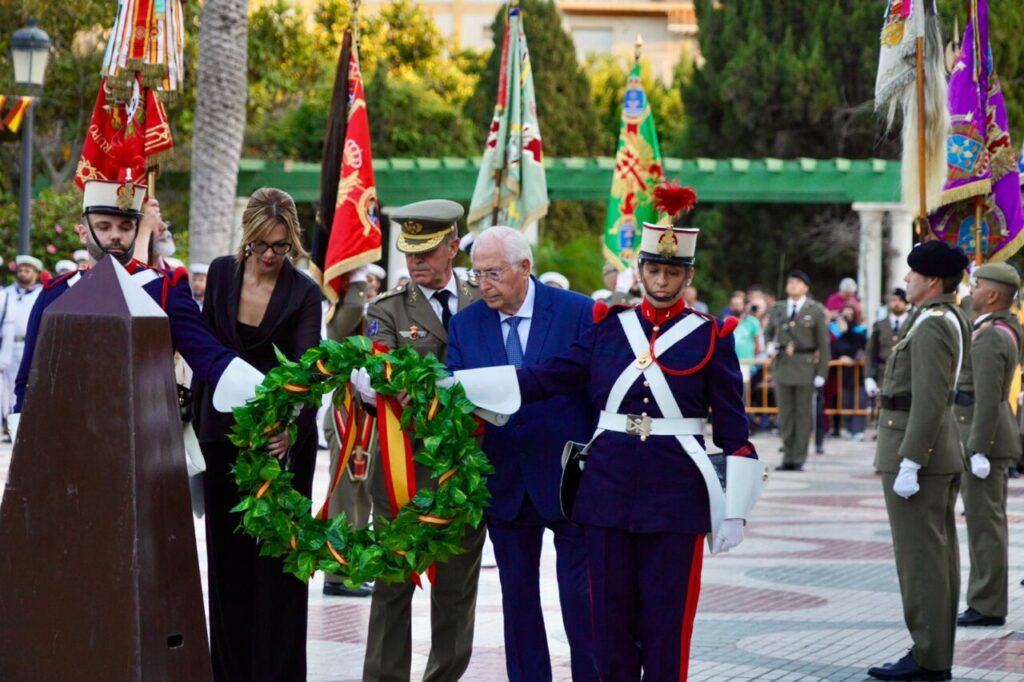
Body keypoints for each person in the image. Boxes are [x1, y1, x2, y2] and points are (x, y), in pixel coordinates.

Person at [513, 186, 764, 681]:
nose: (663, 280)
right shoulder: (609, 328)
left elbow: (735, 430)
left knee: (666, 625)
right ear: (640, 271)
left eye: (673, 272)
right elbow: (548, 377)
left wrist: (736, 509)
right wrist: (468, 386)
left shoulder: (713, 335)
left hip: (676, 495)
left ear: (687, 276)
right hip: (605, 493)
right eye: (654, 270)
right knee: (608, 625)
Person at [10, 175, 265, 445]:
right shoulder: (56, 293)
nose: (116, 235)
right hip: (70, 441)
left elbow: (208, 357)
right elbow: (29, 377)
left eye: (126, 226)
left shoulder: (165, 291)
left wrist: (265, 394)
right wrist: (24, 440)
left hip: (144, 440)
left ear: (137, 229)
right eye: (104, 226)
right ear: (83, 231)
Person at [447, 226, 597, 681]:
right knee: (518, 600)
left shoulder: (577, 312)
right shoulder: (465, 324)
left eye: (493, 273)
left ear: (525, 268)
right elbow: (457, 395)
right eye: (476, 275)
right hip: (505, 480)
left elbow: (596, 391)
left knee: (580, 598)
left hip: (569, 477)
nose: (483, 284)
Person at [191, 187, 323, 682]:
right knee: (227, 565)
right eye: (262, 245)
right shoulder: (223, 273)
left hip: (281, 446)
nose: (271, 255)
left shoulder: (305, 291)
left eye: (281, 246)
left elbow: (308, 372)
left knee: (278, 570)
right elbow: (205, 349)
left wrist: (288, 428)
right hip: (222, 438)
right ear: (246, 238)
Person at [357, 199, 484, 682]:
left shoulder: (482, 298)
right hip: (402, 470)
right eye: (409, 252)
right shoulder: (386, 308)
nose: (415, 262)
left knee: (456, 591)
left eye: (427, 251)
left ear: (453, 246)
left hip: (466, 469)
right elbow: (377, 371)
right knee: (392, 586)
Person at [868, 240, 971, 682]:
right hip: (935, 451)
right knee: (936, 558)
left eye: (912, 274)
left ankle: (929, 658)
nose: (905, 280)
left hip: (920, 455)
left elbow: (928, 401)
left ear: (931, 281)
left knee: (922, 561)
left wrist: (911, 460)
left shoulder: (932, 325)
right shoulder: (942, 318)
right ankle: (933, 651)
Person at [954, 263, 1022, 629]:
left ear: (993, 294)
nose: (972, 290)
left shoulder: (993, 335)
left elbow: (987, 398)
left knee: (985, 525)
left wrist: (977, 448)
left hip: (986, 439)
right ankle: (985, 598)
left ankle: (987, 603)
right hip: (987, 436)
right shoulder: (992, 326)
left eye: (977, 285)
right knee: (985, 522)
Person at [322, 266, 376, 598]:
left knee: (363, 498)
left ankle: (352, 567)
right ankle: (336, 573)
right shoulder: (341, 318)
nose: (370, 288)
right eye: (366, 283)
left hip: (369, 420)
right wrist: (355, 267)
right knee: (344, 496)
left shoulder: (377, 319)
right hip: (347, 419)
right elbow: (354, 308)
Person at [765, 270, 831, 470]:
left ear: (806, 287)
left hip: (805, 366)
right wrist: (769, 345)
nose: (792, 285)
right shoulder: (778, 308)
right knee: (785, 415)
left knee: (802, 416)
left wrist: (821, 373)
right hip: (783, 365)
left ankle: (798, 458)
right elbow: (768, 333)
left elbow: (824, 345)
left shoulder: (816, 310)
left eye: (797, 282)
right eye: (790, 281)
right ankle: (787, 456)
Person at [3, 255, 44, 422]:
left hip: (30, 345)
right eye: (20, 270)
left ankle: (23, 422)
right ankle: (8, 421)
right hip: (9, 345)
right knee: (7, 387)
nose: (23, 274)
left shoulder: (41, 292)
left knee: (26, 385)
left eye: (27, 271)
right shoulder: (7, 293)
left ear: (35, 274)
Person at [829, 304, 869, 440]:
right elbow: (833, 354)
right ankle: (850, 429)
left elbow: (862, 351)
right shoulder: (838, 340)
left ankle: (859, 431)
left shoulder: (858, 336)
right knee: (847, 402)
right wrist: (840, 358)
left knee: (859, 402)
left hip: (859, 376)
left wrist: (852, 359)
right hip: (844, 377)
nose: (840, 325)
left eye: (842, 322)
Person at [865, 288, 910, 400]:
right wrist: (868, 377)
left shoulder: (913, 322)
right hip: (884, 374)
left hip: (907, 374)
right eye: (893, 300)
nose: (896, 303)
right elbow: (870, 352)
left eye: (900, 300)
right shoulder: (880, 325)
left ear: (906, 303)